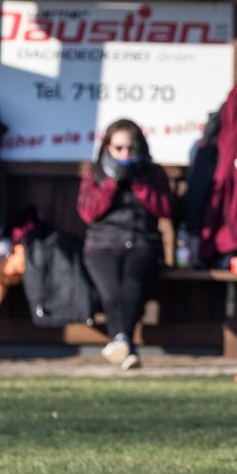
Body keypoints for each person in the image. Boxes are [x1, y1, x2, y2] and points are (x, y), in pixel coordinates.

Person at [77, 119, 174, 370]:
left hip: (141, 242)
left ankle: (120, 342)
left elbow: (165, 209)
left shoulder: (152, 173)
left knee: (132, 285)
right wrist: (112, 183)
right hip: (102, 244)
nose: (125, 155)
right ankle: (126, 344)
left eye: (130, 149)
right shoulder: (95, 173)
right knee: (111, 291)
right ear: (107, 147)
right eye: (118, 148)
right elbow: (88, 213)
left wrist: (139, 184)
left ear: (140, 148)